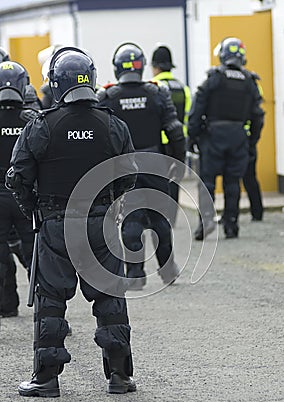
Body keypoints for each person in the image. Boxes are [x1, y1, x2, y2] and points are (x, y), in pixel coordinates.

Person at [7, 46, 137, 397]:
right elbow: (130, 175)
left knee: (50, 300)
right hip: (100, 223)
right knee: (110, 297)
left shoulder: (42, 126)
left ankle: (46, 379)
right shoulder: (113, 125)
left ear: (55, 83)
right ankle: (120, 376)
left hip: (56, 223)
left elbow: (17, 177)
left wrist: (35, 208)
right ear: (91, 81)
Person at [97, 42, 185, 290]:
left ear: (117, 68)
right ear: (142, 66)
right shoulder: (157, 93)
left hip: (125, 166)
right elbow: (175, 131)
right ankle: (168, 271)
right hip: (156, 164)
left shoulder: (107, 96)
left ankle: (135, 274)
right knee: (160, 217)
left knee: (131, 217)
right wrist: (178, 164)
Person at [188, 37, 264, 239]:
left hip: (213, 137)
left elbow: (197, 109)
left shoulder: (214, 78)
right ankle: (231, 225)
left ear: (223, 55)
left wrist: (193, 137)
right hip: (238, 137)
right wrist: (251, 141)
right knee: (232, 183)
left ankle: (205, 224)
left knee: (207, 183)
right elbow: (258, 116)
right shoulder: (249, 82)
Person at [0, 60, 37, 317]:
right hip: (25, 196)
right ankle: (47, 310)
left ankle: (7, 305)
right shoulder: (34, 119)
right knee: (35, 255)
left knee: (1, 256)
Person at [151, 44, 191, 226]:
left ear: (156, 67)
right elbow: (187, 116)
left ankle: (160, 216)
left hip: (160, 141)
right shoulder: (183, 88)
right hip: (178, 141)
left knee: (158, 180)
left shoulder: (155, 87)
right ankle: (172, 219)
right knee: (175, 180)